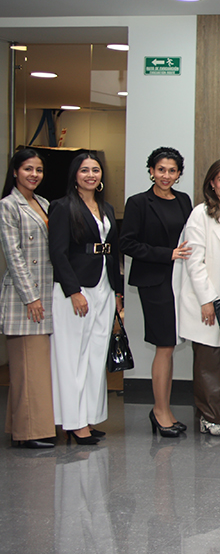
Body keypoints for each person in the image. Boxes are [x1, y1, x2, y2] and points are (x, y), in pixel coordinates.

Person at [48, 151, 122, 445]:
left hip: (103, 287)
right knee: (72, 357)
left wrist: (117, 292)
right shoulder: (63, 207)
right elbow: (58, 253)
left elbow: (113, 251)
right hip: (76, 290)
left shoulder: (105, 207)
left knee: (94, 357)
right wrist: (73, 291)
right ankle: (73, 422)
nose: (91, 175)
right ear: (74, 175)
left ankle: (88, 418)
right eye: (84, 170)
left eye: (95, 170)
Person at [121, 146, 193, 436]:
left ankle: (164, 409)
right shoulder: (138, 203)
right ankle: (160, 411)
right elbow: (127, 243)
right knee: (164, 345)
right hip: (155, 281)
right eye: (160, 169)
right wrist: (168, 254)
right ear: (151, 171)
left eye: (172, 170)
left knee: (170, 345)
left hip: (180, 281)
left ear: (179, 174)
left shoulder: (184, 200)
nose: (166, 175)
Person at [177, 158, 220, 437]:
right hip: (208, 299)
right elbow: (194, 262)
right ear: (212, 183)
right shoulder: (200, 214)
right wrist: (208, 300)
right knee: (209, 361)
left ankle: (216, 415)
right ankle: (210, 418)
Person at [1, 149, 55, 448]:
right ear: (15, 172)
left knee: (29, 367)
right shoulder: (8, 206)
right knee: (28, 366)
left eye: (38, 170)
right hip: (25, 300)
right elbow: (14, 256)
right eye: (27, 169)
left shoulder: (43, 204)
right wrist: (31, 297)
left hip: (44, 295)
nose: (34, 175)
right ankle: (31, 432)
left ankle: (18, 426)